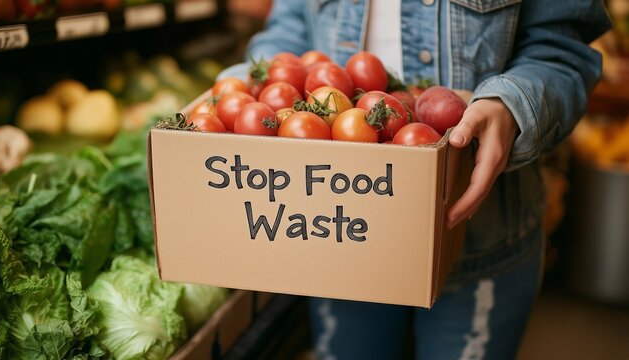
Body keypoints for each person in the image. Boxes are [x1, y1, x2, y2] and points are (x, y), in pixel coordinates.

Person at [220, 1, 611, 358]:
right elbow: (290, 27)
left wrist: (512, 104)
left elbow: (562, 49)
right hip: (337, 233)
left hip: (479, 237)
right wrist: (243, 86)